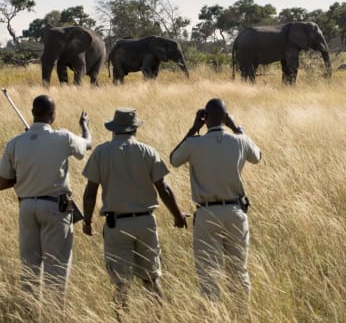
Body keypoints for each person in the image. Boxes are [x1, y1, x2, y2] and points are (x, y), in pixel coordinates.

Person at [81, 108, 187, 317]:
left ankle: (121, 318)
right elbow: (163, 189)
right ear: (134, 129)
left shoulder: (101, 153)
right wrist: (178, 215)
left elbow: (90, 193)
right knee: (151, 279)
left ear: (113, 130)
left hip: (116, 224)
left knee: (121, 284)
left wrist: (87, 221)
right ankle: (157, 318)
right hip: (146, 222)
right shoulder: (148, 152)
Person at [0, 94, 92, 313]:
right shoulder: (63, 137)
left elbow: (4, 181)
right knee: (55, 268)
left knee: (30, 267)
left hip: (27, 208)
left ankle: (30, 314)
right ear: (53, 115)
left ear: (33, 113)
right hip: (55, 208)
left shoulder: (15, 143)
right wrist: (85, 126)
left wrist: (24, 173)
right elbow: (88, 144)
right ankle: (52, 315)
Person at [170, 98, 261, 300]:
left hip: (207, 213)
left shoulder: (194, 144)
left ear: (205, 118)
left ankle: (212, 316)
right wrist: (236, 128)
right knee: (239, 271)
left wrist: (193, 129)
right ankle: (241, 315)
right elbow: (257, 156)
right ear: (225, 117)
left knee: (208, 274)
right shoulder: (240, 141)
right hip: (235, 211)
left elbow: (174, 159)